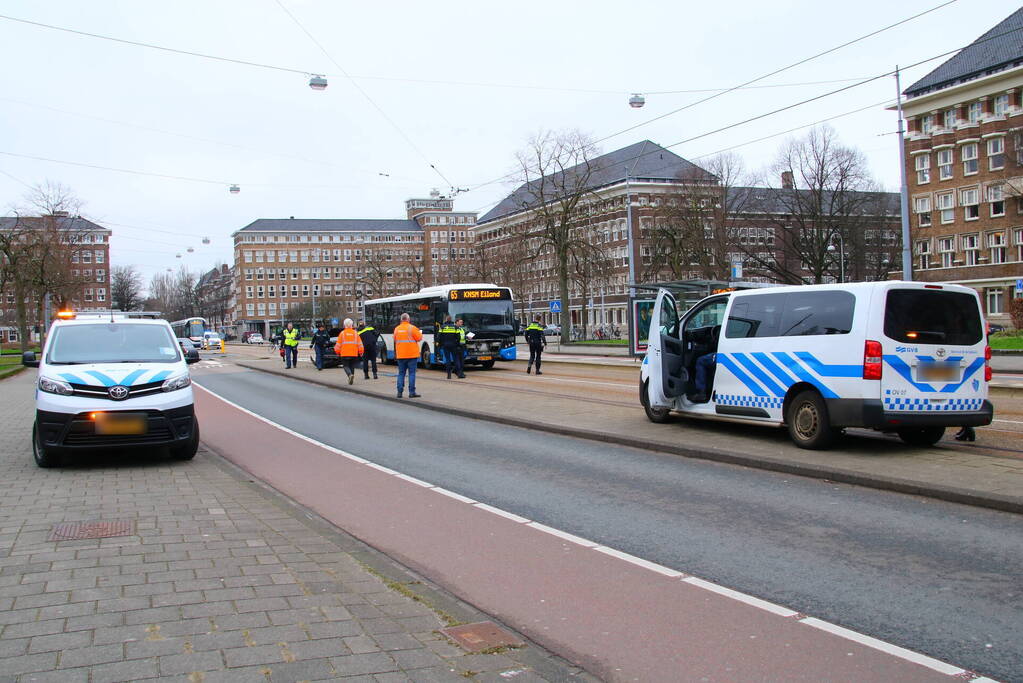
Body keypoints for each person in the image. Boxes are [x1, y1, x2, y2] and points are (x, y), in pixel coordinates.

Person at [393, 312, 423, 398]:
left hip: (401, 355)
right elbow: (419, 338)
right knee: (412, 373)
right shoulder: (412, 328)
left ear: (401, 320)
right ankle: (411, 392)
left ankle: (399, 392)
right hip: (412, 355)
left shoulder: (396, 329)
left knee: (401, 373)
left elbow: (395, 339)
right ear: (408, 319)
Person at [334, 318, 364, 384]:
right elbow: (360, 344)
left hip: (344, 354)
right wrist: (361, 352)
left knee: (346, 366)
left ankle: (350, 375)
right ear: (352, 325)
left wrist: (337, 352)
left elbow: (338, 345)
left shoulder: (342, 333)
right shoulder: (355, 333)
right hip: (354, 354)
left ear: (344, 325)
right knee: (352, 366)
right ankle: (351, 379)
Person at [438, 315, 464, 379]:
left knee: (448, 360)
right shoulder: (455, 327)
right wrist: (457, 344)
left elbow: (439, 337)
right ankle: (459, 374)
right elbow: (458, 337)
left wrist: (441, 344)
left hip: (445, 346)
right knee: (456, 359)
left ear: (446, 319)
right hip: (454, 345)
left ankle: (449, 375)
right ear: (451, 320)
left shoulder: (442, 327)